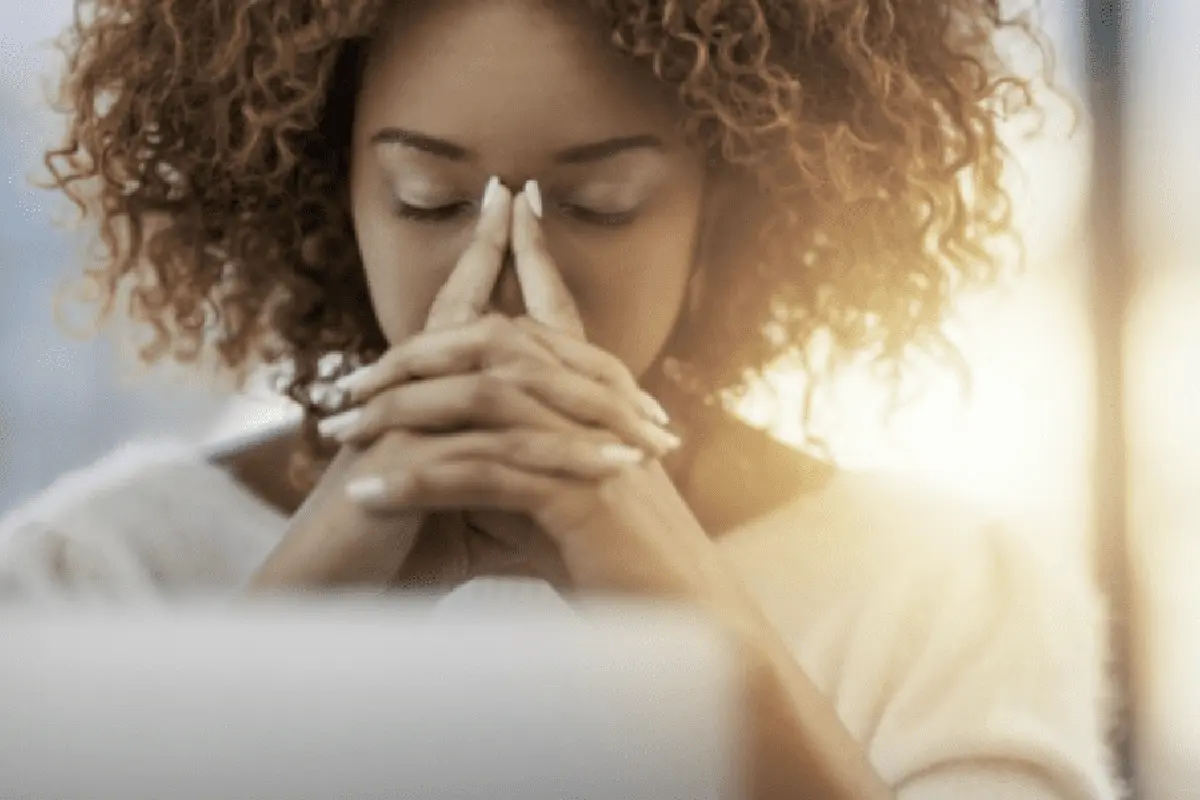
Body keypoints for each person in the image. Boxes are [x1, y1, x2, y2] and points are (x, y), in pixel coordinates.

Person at [0, 0, 1120, 797]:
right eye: (430, 199)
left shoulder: (948, 595)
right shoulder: (88, 576)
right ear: (326, 187)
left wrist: (670, 584)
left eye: (600, 204)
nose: (498, 274)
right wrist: (316, 581)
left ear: (720, 212)